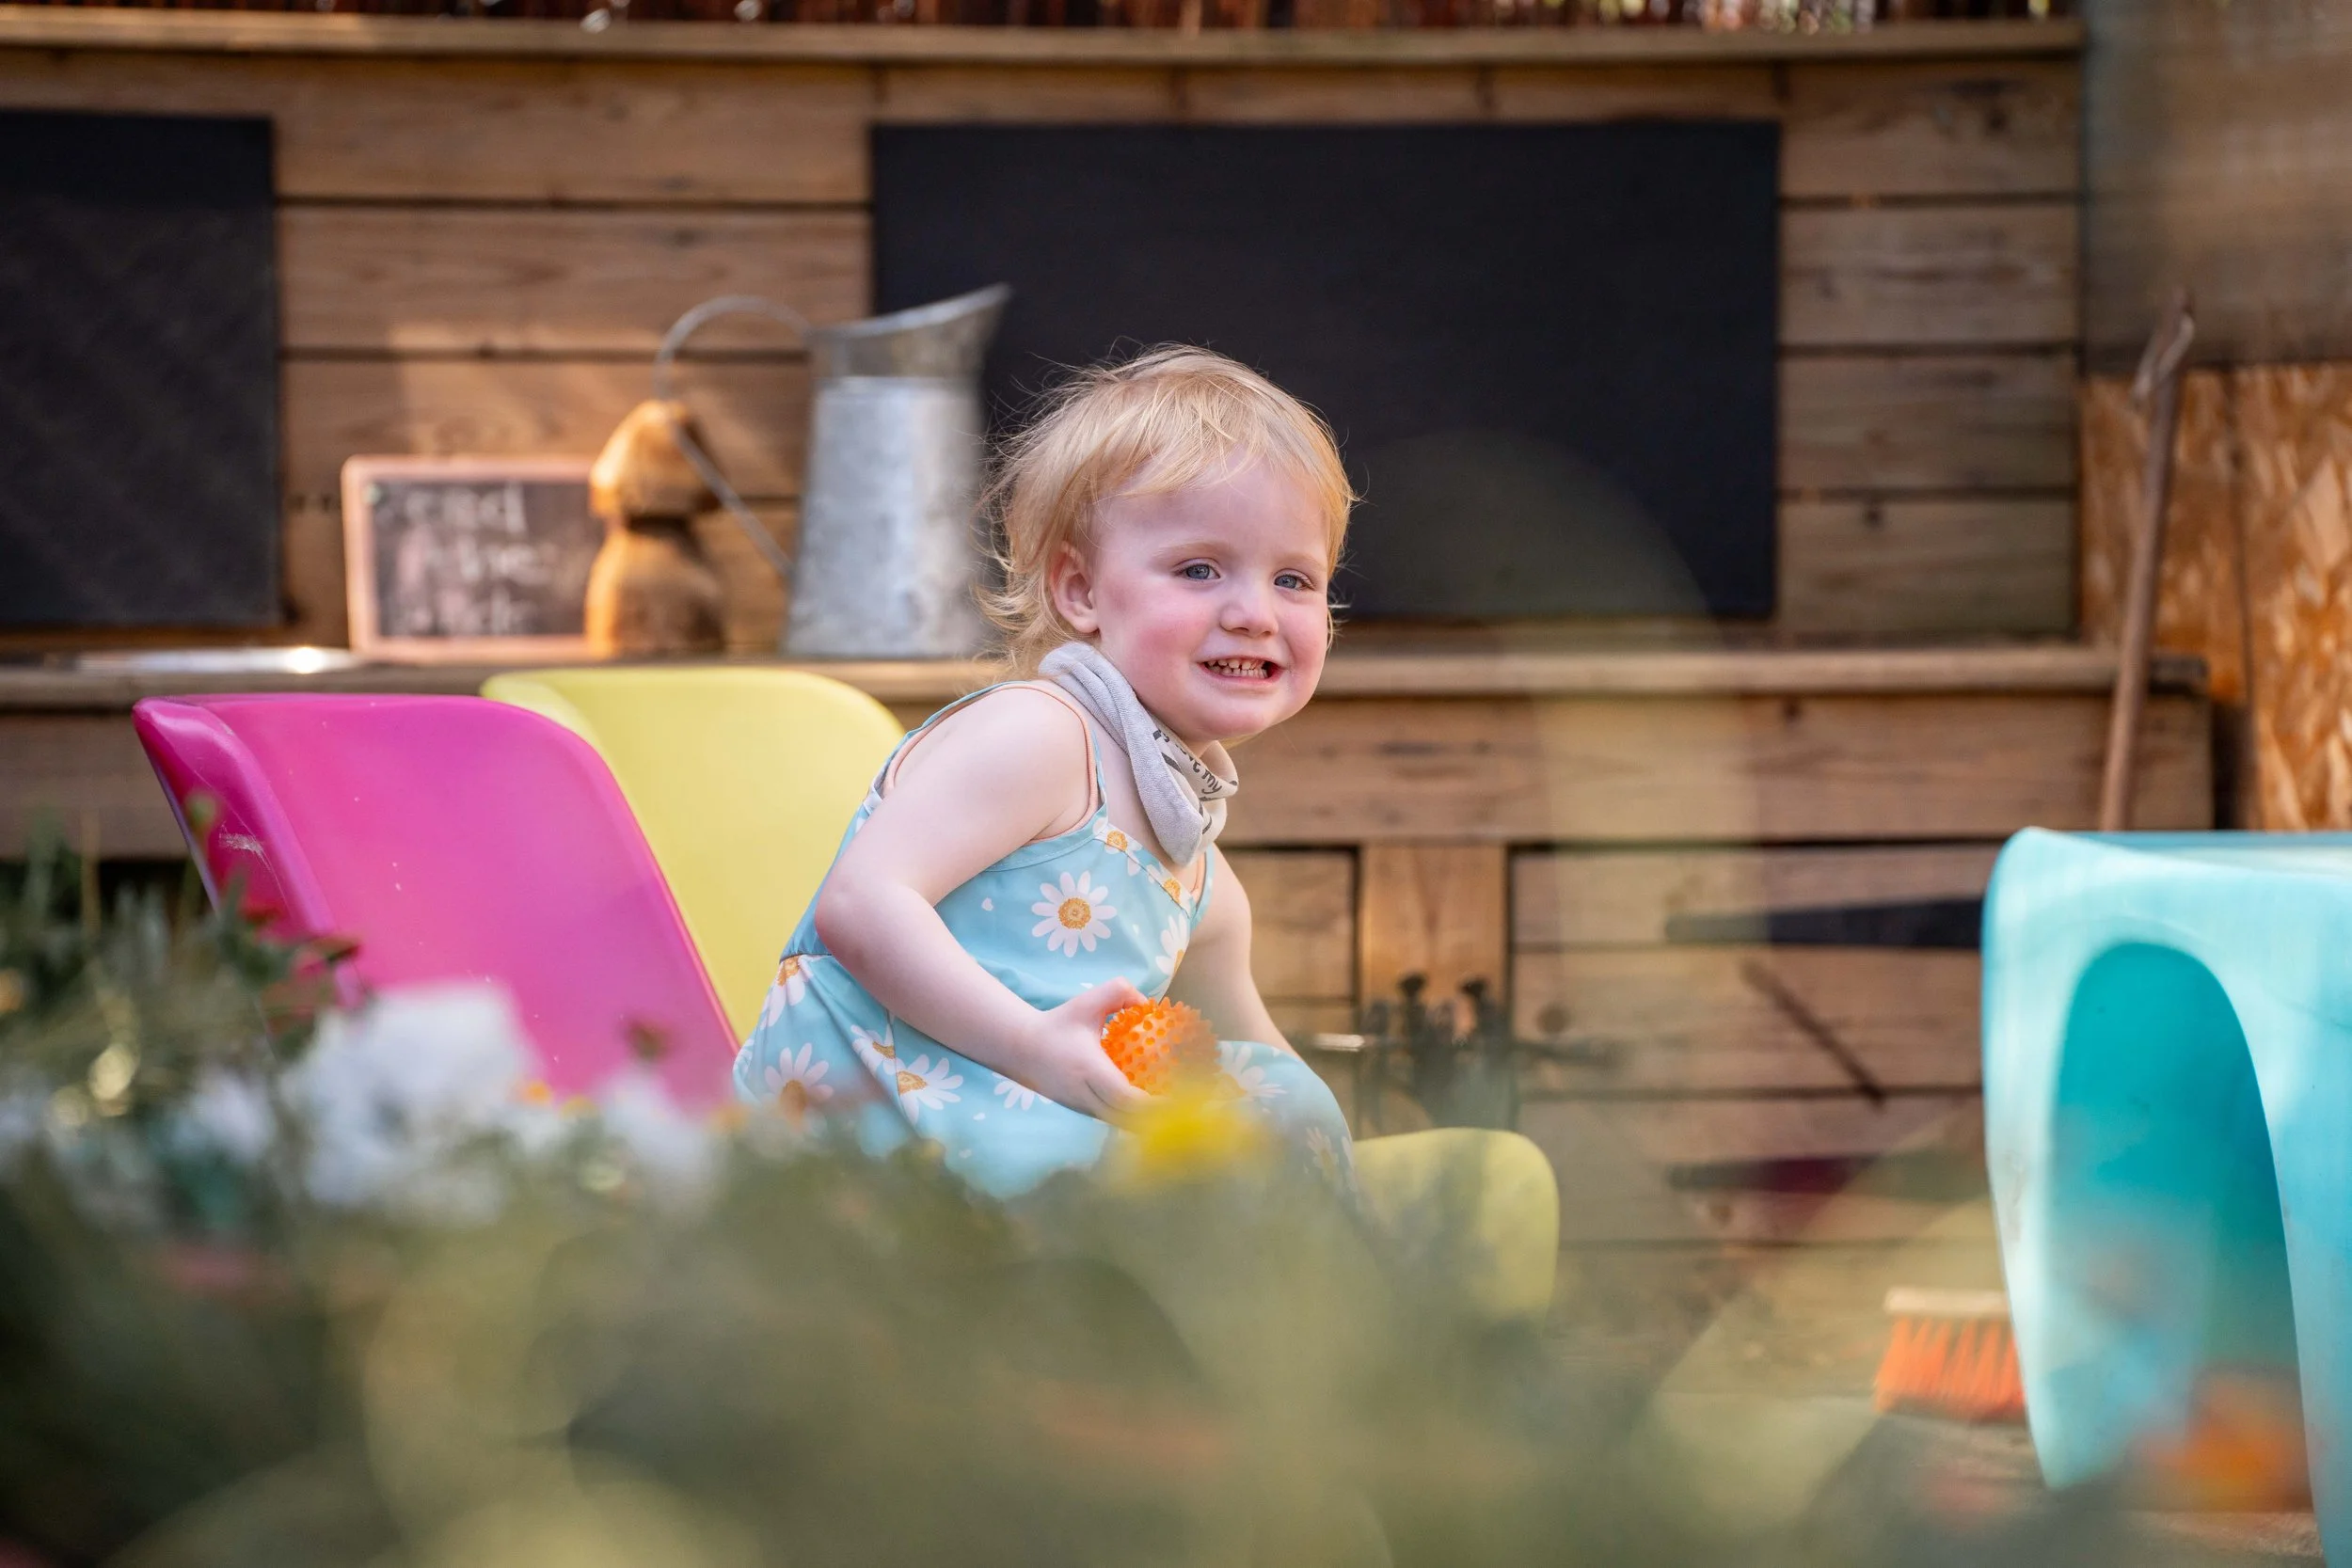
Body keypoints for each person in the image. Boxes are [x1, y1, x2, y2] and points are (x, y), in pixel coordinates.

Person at [733, 347, 1356, 1197]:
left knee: (1278, 1101)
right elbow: (859, 904)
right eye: (1199, 569)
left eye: (1294, 578)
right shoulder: (1043, 735)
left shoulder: (1194, 865)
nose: (1252, 613)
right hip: (865, 1131)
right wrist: (1035, 1048)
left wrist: (1332, 1166)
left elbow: (1261, 1060)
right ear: (1080, 590)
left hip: (1017, 1146)